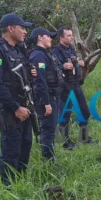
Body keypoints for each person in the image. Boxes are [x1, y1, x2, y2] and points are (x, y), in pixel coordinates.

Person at [0, 13, 34, 186]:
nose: (25, 32)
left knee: (25, 146)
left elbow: (22, 75)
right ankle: (9, 189)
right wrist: (15, 107)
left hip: (25, 108)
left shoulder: (19, 49)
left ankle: (21, 183)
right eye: (22, 28)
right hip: (10, 110)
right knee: (11, 151)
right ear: (11, 28)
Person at [52, 27, 95, 149]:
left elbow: (74, 61)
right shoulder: (55, 51)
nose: (72, 38)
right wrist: (63, 66)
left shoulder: (71, 49)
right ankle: (66, 143)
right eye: (69, 36)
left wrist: (78, 62)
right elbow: (53, 66)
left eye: (72, 35)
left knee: (85, 111)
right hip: (64, 87)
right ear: (61, 38)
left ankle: (84, 137)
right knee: (65, 114)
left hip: (76, 85)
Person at [29, 27, 64, 162]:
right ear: (39, 37)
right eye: (48, 36)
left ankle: (50, 156)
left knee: (51, 128)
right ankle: (48, 160)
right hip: (46, 98)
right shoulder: (38, 56)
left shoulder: (46, 53)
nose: (50, 38)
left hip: (54, 96)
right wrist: (46, 102)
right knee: (48, 129)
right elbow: (40, 80)